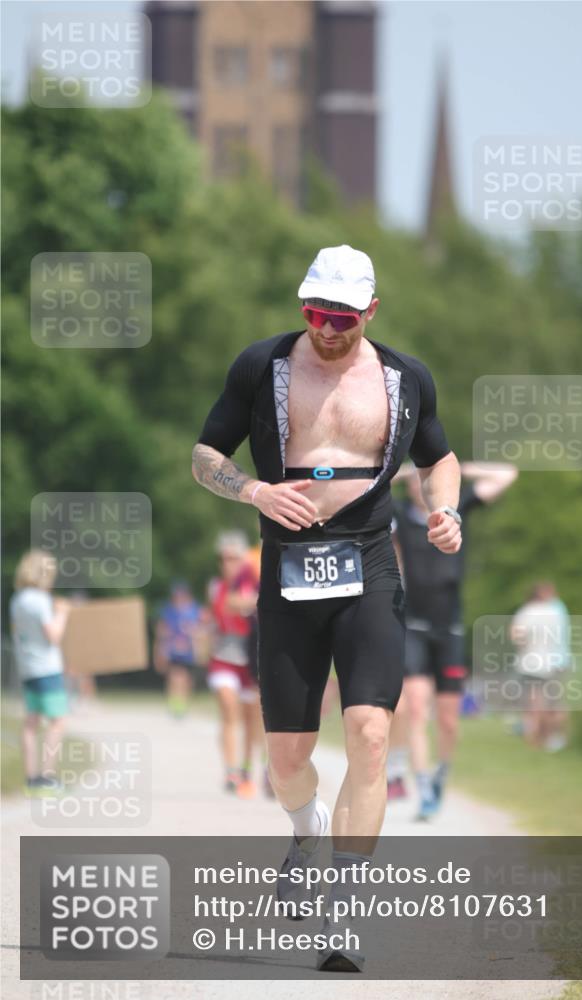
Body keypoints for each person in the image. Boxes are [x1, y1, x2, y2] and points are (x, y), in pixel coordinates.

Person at [192, 243, 461, 972]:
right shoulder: (263, 367)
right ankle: (303, 829)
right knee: (287, 759)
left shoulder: (405, 378)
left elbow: (439, 457)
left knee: (372, 735)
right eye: (314, 313)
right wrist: (253, 490)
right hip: (287, 571)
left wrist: (447, 512)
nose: (327, 328)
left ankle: (344, 916)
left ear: (371, 311)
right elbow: (205, 454)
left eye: (342, 317)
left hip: (370, 567)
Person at [388, 461, 518, 819]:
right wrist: (400, 471)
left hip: (450, 629)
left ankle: (442, 770)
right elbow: (367, 486)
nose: (422, 483)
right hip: (412, 625)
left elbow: (507, 474)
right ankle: (424, 782)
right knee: (415, 707)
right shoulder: (398, 512)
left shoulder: (455, 511)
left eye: (428, 477)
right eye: (417, 479)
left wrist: (455, 468)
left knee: (448, 720)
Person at [9, 549, 71, 793]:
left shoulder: (18, 599)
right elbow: (53, 635)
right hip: (47, 668)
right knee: (57, 721)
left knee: (30, 723)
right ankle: (46, 777)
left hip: (27, 668)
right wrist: (63, 614)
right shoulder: (40, 599)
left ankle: (31, 779)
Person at [207, 531, 262, 796]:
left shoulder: (255, 583)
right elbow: (222, 611)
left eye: (235, 558)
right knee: (229, 708)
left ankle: (246, 767)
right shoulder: (216, 587)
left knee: (252, 717)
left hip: (251, 657)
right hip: (223, 657)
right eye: (225, 559)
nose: (229, 564)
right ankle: (230, 769)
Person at [510, 581, 571, 752]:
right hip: (554, 663)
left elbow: (516, 636)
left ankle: (535, 737)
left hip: (530, 663)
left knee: (535, 702)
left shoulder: (527, 612)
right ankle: (550, 736)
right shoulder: (557, 611)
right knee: (553, 702)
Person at [153, 580, 203, 719]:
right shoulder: (168, 610)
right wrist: (159, 651)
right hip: (173, 651)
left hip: (189, 651)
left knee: (186, 680)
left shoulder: (195, 610)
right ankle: (175, 706)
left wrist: (200, 648)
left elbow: (202, 631)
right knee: (175, 677)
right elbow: (162, 631)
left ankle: (183, 704)